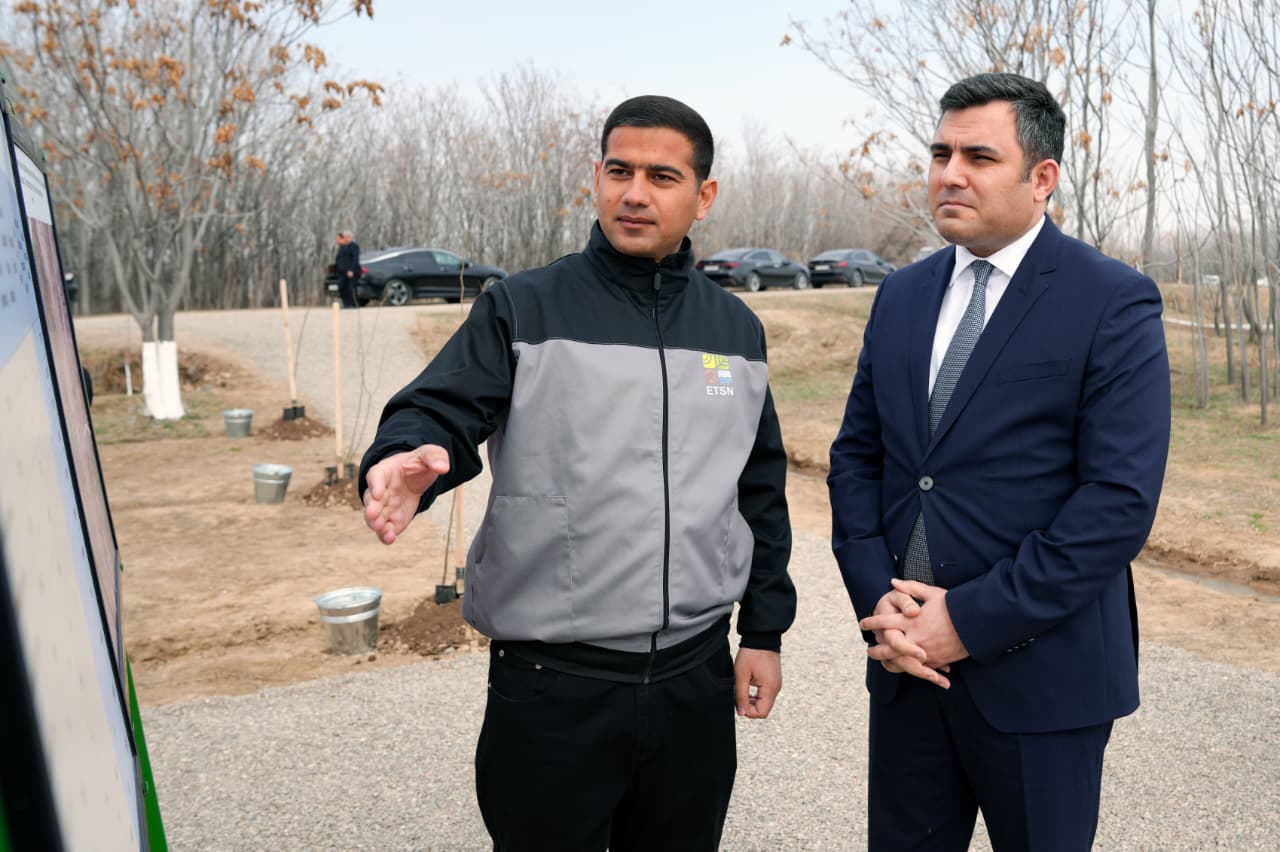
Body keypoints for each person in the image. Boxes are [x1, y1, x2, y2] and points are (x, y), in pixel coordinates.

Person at [359, 95, 795, 852]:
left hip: (694, 681)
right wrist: (406, 453)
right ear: (596, 178)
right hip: (552, 686)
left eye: (662, 177)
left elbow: (757, 490)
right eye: (619, 171)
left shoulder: (736, 330)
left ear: (704, 196)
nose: (635, 193)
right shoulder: (522, 308)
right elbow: (440, 409)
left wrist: (763, 631)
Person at [827, 72, 1170, 851]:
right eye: (940, 154)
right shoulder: (901, 295)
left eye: (978, 157)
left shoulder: (1112, 300)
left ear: (1042, 177)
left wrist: (967, 620)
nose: (949, 174)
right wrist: (882, 605)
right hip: (907, 668)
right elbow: (856, 460)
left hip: (1043, 679)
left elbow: (1116, 502)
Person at [334, 229, 361, 308]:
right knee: (341, 287)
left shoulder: (354, 246)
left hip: (351, 272)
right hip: (342, 272)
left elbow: (355, 259)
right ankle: (346, 304)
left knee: (350, 288)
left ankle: (353, 304)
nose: (343, 238)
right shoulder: (342, 247)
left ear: (349, 237)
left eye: (345, 237)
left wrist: (351, 270)